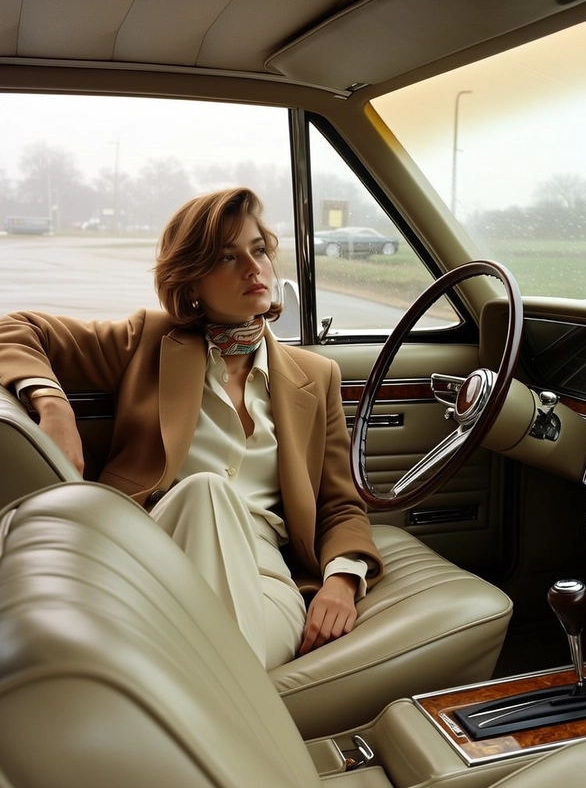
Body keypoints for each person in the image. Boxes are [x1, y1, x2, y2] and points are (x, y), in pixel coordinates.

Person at [0, 187, 385, 669]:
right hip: (155, 560)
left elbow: (339, 504)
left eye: (258, 249)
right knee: (208, 492)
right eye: (227, 256)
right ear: (192, 282)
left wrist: (342, 581)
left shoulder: (316, 375)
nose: (253, 267)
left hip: (266, 579)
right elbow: (16, 328)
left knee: (223, 664)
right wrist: (54, 407)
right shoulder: (148, 339)